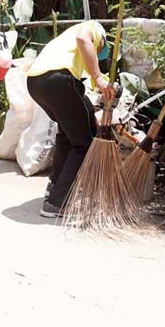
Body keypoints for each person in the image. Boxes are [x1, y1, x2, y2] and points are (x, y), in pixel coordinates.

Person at [27, 21, 113, 218]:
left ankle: (54, 187)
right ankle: (57, 202)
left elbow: (92, 79)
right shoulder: (92, 28)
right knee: (84, 143)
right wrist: (98, 77)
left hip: (35, 83)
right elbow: (84, 39)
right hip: (58, 80)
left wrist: (103, 83)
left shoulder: (65, 43)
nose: (97, 52)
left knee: (67, 134)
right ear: (102, 40)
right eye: (99, 50)